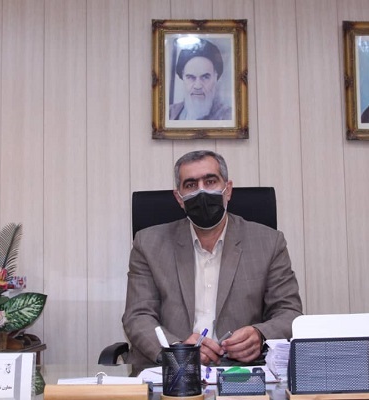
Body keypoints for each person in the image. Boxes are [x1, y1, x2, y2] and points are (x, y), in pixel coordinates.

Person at [122, 150, 303, 366]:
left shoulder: (269, 242)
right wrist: (178, 350)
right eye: (190, 185)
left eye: (210, 181)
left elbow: (289, 312)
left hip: (242, 371)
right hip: (173, 370)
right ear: (179, 198)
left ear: (228, 190)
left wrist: (260, 334)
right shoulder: (148, 244)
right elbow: (137, 316)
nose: (201, 192)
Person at [169, 39, 232, 120]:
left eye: (205, 77)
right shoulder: (169, 113)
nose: (198, 86)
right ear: (183, 77)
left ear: (215, 78)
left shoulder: (229, 116)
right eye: (191, 77)